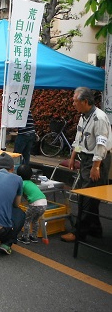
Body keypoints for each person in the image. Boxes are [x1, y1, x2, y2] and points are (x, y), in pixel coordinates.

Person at [61, 87, 112, 243]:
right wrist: (73, 156)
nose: (73, 104)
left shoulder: (99, 117)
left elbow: (101, 144)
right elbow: (79, 138)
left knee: (86, 197)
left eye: (75, 101)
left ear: (85, 101)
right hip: (87, 158)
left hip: (97, 160)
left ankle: (79, 232)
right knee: (91, 196)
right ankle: (95, 228)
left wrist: (96, 167)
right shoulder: (83, 116)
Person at [16, 164, 47, 245]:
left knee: (27, 220)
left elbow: (18, 195)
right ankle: (34, 236)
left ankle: (25, 237)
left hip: (35, 204)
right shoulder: (32, 183)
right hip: (44, 202)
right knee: (35, 220)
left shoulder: (22, 183)